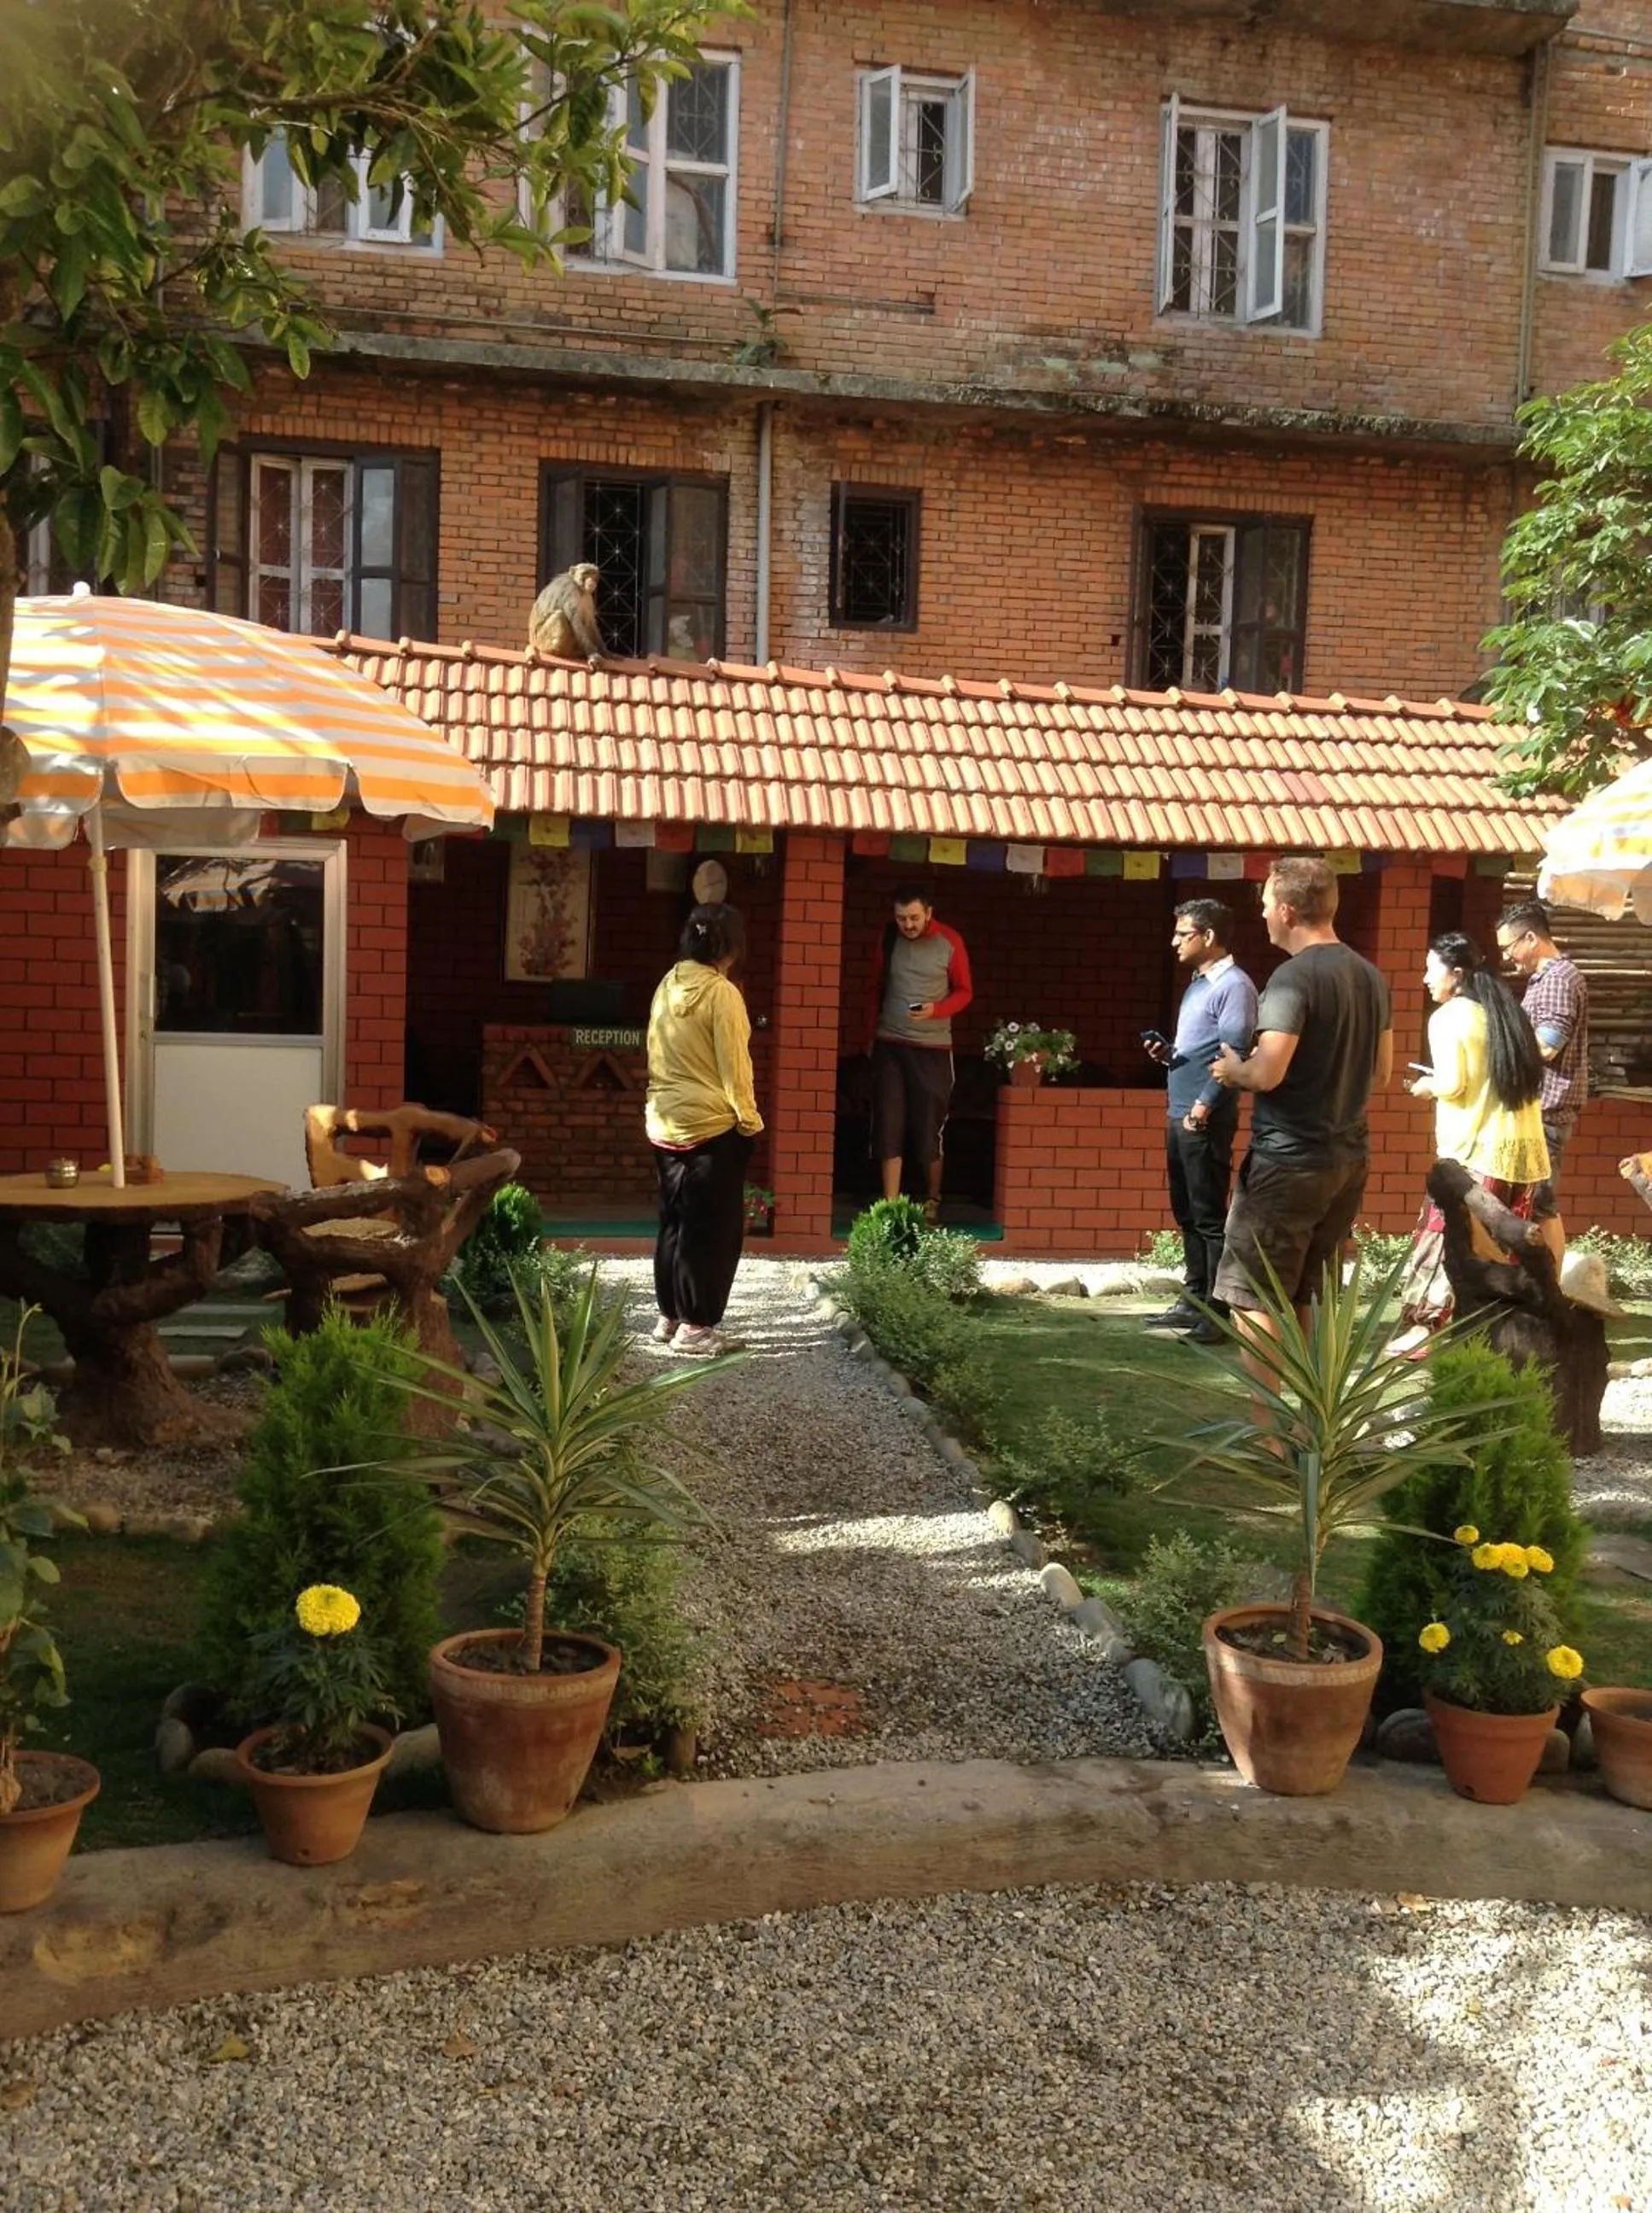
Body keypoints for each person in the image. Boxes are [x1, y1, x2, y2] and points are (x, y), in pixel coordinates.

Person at [1207, 855, 1392, 1393]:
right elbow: (1381, 1072)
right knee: (1310, 1293)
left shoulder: (1292, 978)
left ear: (1287, 910)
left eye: (1265, 903)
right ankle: (1312, 1424)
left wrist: (1231, 1069)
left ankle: (1271, 1438)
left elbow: (1267, 1072)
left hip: (1287, 1161)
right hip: (1348, 1160)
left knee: (1252, 1294)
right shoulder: (1370, 975)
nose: (1262, 913)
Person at [1393, 931, 1550, 1344]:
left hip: (1475, 1153)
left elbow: (1453, 1083)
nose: (1425, 978)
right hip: (1523, 1155)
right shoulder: (1506, 1011)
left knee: (1446, 1238)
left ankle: (1422, 1328)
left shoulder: (1448, 1017)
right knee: (1506, 1249)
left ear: (1456, 973)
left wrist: (1424, 1087)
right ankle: (1502, 1333)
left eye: (1431, 970)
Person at [645, 902, 762, 1357]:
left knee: (674, 1221)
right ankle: (697, 1327)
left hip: (664, 1122)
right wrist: (749, 1121)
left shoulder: (666, 984)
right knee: (711, 1230)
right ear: (731, 948)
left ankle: (670, 1315)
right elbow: (736, 1067)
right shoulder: (722, 994)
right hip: (713, 1127)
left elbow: (654, 1050)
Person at [1141, 899, 1258, 1345]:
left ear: (1208, 937)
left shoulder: (1236, 987)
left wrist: (1204, 1105)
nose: (1174, 941)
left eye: (1182, 934)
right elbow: (1199, 1050)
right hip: (1181, 1111)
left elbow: (1235, 1054)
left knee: (1209, 1216)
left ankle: (1219, 1311)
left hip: (1202, 1116)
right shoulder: (1197, 986)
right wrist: (1168, 1054)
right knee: (1187, 1211)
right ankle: (1193, 1299)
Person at [867, 884, 972, 1226]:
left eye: (913, 917)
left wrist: (936, 1010)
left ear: (929, 913)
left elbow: (965, 992)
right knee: (889, 1122)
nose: (908, 925)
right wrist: (868, 1036)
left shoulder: (950, 942)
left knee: (929, 1129)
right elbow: (874, 987)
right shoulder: (888, 939)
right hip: (891, 1044)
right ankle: (890, 1206)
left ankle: (932, 1199)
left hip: (933, 1048)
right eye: (901, 919)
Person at [1496, 899, 1589, 1234]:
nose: (1506, 957)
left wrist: (1501, 1047)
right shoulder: (1547, 978)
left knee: (1540, 1208)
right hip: (1541, 1112)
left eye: (1509, 948)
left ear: (1531, 939)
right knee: (1534, 1206)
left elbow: (1547, 1047)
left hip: (1547, 1112)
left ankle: (1548, 1285)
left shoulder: (1557, 980)